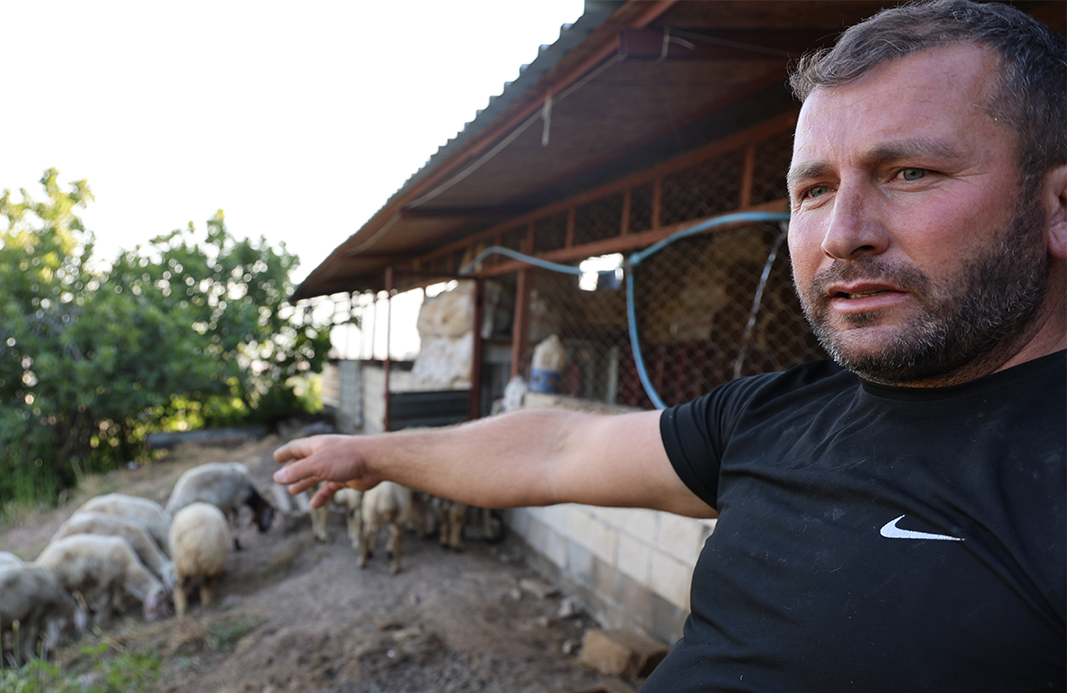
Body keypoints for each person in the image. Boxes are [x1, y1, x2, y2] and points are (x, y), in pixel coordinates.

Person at [274, 0, 1066, 689]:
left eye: (910, 172)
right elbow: (557, 447)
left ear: (1057, 207)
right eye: (814, 189)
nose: (840, 234)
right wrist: (371, 453)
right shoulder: (771, 414)